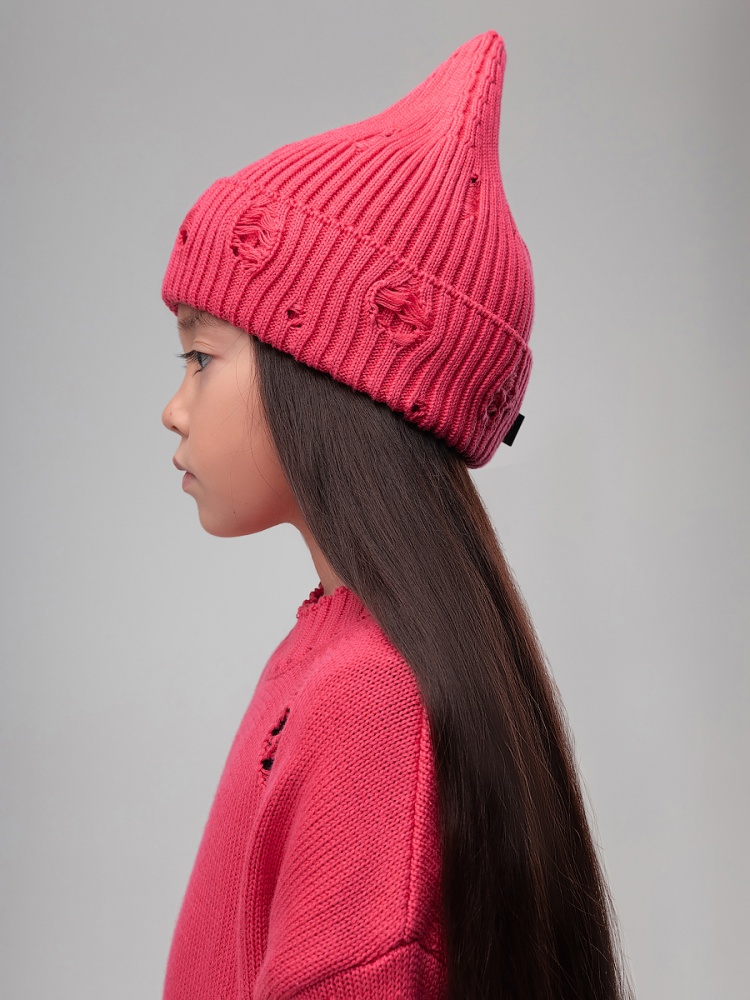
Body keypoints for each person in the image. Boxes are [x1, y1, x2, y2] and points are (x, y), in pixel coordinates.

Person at [160, 30, 634, 1000]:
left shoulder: (370, 702)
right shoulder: (340, 655)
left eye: (201, 357)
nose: (175, 407)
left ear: (326, 378)